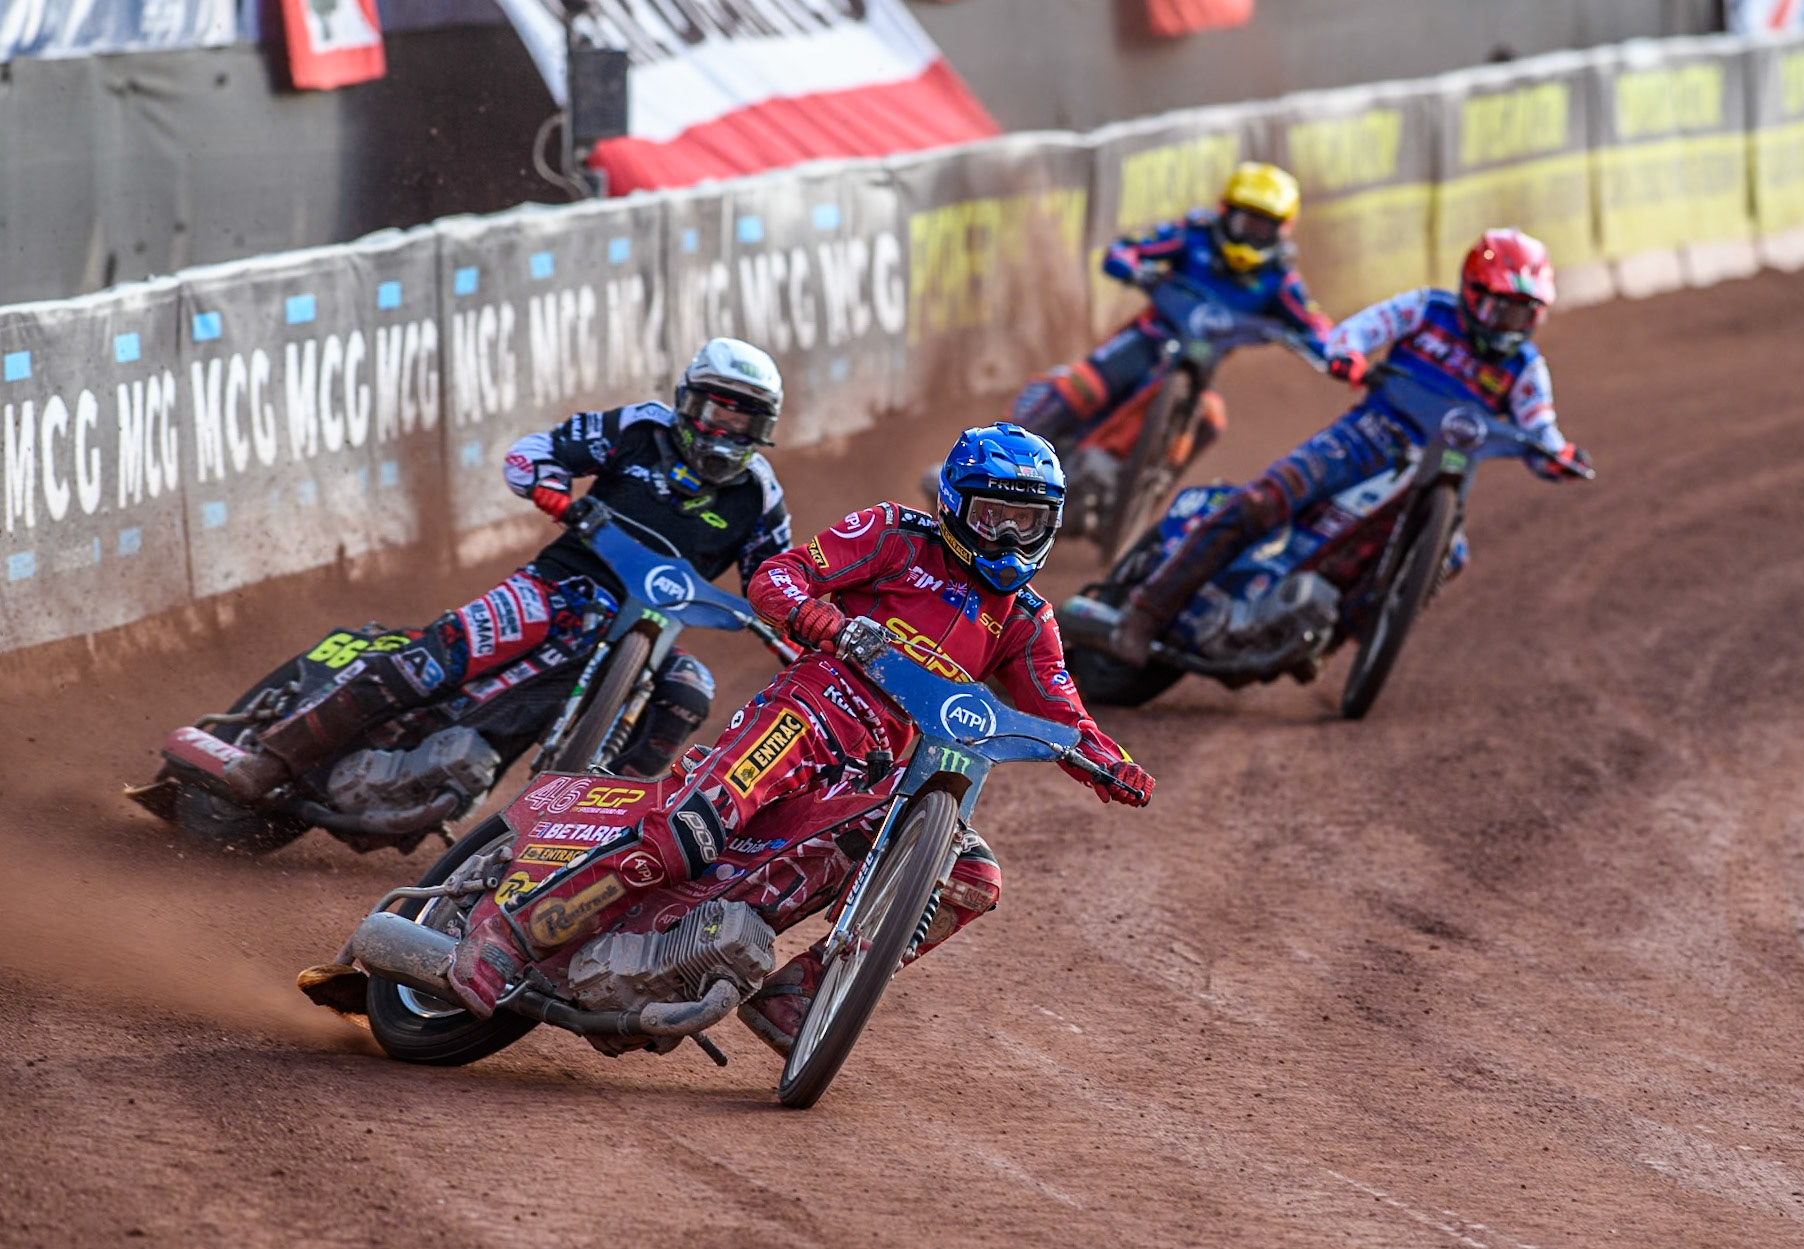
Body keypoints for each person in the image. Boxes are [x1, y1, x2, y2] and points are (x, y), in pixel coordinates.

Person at [444, 424, 1156, 1051]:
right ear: (954, 504)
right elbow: (780, 576)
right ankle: (510, 931)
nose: (1008, 537)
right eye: (993, 516)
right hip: (808, 711)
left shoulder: (1026, 620)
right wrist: (821, 620)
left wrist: (1112, 763)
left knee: (971, 873)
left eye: (1027, 522)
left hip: (877, 771)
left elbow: (1066, 716)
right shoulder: (894, 534)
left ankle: (797, 995)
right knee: (690, 830)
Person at [223, 338, 793, 804]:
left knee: (690, 690)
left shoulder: (760, 496)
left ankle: (600, 828)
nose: (724, 431)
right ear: (688, 402)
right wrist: (553, 492)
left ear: (762, 427)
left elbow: (777, 580)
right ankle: (273, 758)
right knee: (433, 661)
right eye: (716, 412)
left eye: (742, 420)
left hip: (650, 631)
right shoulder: (640, 429)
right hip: (558, 587)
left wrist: (804, 623)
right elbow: (532, 453)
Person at [1107, 228, 1593, 666]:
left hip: (1437, 474)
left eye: (1524, 313)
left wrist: (1561, 457)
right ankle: (1146, 612)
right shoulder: (1428, 309)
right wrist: (1348, 354)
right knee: (1264, 499)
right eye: (1501, 309)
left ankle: (1328, 641)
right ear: (1472, 292)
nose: (1509, 324)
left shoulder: (1526, 368)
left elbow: (1541, 428)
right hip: (1369, 435)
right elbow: (1359, 330)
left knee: (1452, 555)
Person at [1005, 161, 1333, 466]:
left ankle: (1149, 490)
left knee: (1211, 420)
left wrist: (1335, 352)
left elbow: (1316, 324)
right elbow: (1127, 248)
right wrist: (1132, 268)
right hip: (1147, 340)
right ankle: (1003, 456)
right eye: (1245, 223)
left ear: (1282, 229)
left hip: (1200, 366)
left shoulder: (1280, 279)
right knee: (1081, 389)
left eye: (1262, 228)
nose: (1251, 235)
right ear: (1225, 212)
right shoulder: (1194, 235)